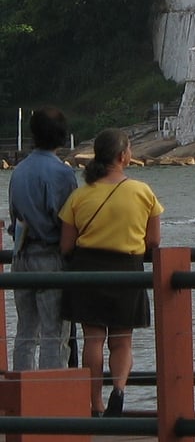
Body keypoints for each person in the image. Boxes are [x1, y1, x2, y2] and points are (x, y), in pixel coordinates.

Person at [59, 128, 163, 418]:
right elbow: (154, 241)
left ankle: (95, 403)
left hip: (88, 269)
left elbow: (66, 244)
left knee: (93, 340)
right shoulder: (143, 192)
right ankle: (119, 388)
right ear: (123, 156)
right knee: (122, 340)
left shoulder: (80, 196)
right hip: (127, 269)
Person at [7, 107, 77, 370]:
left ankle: (22, 394)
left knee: (25, 332)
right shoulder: (62, 173)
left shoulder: (19, 171)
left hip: (21, 256)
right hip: (49, 256)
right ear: (61, 135)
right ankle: (51, 395)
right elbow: (68, 219)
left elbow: (14, 216)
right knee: (54, 333)